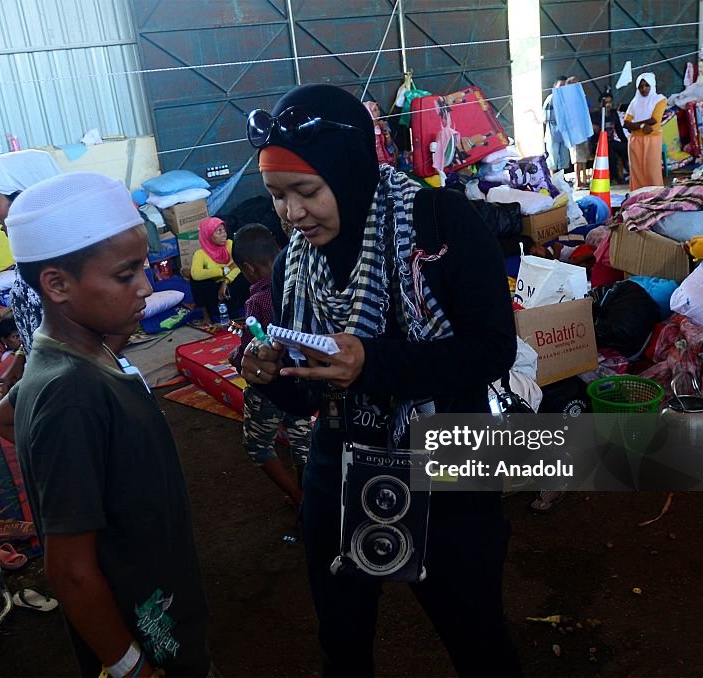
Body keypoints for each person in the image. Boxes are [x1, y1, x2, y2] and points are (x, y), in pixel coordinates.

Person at [240, 84, 520, 676]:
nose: (291, 213)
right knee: (342, 638)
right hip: (339, 463)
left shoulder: (437, 223)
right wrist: (271, 376)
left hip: (445, 461)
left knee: (475, 636)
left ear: (348, 172)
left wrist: (375, 362)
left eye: (306, 192)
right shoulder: (296, 259)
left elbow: (493, 349)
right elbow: (310, 390)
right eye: (276, 196)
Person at [0, 171, 210, 676]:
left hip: (159, 602)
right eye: (126, 275)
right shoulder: (70, 393)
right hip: (142, 631)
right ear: (57, 284)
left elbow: (2, 415)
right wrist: (130, 667)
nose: (146, 287)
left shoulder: (75, 356)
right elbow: (69, 571)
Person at [228, 223, 311, 508]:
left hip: (270, 388)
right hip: (301, 380)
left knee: (257, 445)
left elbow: (251, 355)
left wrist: (237, 358)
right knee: (304, 445)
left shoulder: (258, 301)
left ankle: (299, 497)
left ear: (248, 268)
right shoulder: (304, 282)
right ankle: (309, 494)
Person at [0, 148, 62, 388]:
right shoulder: (29, 252)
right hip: (44, 371)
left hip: (66, 376)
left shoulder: (59, 252)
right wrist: (21, 360)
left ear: (23, 198)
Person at [189, 216, 249, 326]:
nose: (224, 234)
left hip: (229, 288)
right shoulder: (200, 254)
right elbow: (196, 274)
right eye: (218, 231)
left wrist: (225, 281)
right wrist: (223, 270)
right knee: (196, 282)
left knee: (245, 274)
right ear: (208, 235)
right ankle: (206, 316)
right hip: (213, 293)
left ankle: (247, 310)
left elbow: (238, 265)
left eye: (224, 230)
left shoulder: (230, 244)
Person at [623, 72, 667, 190]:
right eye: (641, 86)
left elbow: (655, 119)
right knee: (637, 171)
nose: (644, 89)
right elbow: (626, 123)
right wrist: (642, 126)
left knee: (652, 170)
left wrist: (635, 124)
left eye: (647, 85)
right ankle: (638, 197)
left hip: (652, 138)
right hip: (635, 140)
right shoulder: (634, 102)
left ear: (652, 85)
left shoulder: (660, 99)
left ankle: (655, 196)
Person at [592, 92, 630, 183]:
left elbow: (619, 131)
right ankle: (614, 177)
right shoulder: (595, 116)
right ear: (600, 104)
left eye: (610, 102)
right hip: (598, 144)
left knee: (626, 148)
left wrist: (627, 143)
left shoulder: (614, 114)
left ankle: (629, 172)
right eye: (606, 102)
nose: (608, 105)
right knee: (610, 152)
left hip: (611, 142)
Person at [565, 76, 592, 186]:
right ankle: (577, 181)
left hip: (583, 131)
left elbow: (589, 109)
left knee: (583, 158)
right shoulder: (566, 100)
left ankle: (584, 179)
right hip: (573, 132)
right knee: (576, 158)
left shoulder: (581, 98)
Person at [543, 75, 571, 173]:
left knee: (564, 157)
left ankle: (561, 179)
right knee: (553, 157)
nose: (562, 88)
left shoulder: (568, 99)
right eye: (560, 85)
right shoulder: (550, 99)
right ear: (555, 86)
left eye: (565, 85)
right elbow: (545, 118)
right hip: (552, 133)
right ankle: (553, 179)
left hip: (565, 133)